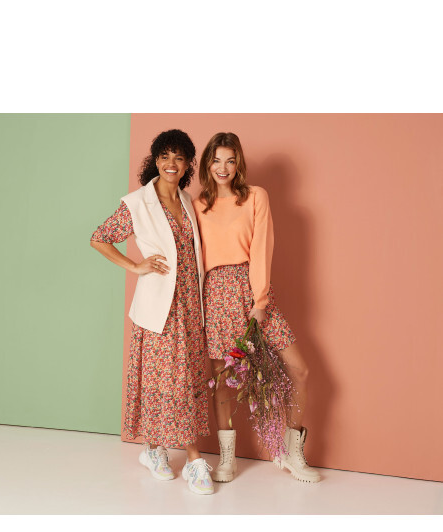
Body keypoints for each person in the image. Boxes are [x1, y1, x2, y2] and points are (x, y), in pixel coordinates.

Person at [90, 129, 214, 495]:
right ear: (155, 160)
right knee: (163, 381)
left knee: (187, 379)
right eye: (165, 156)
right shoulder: (137, 203)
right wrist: (135, 266)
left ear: (188, 164)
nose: (171, 163)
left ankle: (160, 451)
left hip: (190, 305)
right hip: (159, 306)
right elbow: (99, 237)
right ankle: (187, 458)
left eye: (179, 157)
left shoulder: (188, 200)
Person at [193, 132, 321, 483]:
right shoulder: (198, 204)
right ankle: (227, 459)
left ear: (239, 164)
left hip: (252, 291)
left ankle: (292, 454)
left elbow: (262, 246)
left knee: (300, 371)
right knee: (223, 380)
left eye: (230, 160)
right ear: (207, 164)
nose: (223, 167)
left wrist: (260, 300)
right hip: (216, 294)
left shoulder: (255, 196)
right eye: (216, 160)